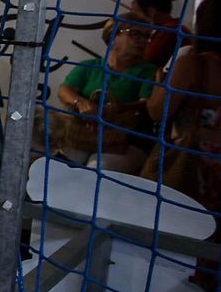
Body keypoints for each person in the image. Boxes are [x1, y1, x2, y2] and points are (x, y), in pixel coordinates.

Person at [144, 0, 221, 253]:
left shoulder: (191, 64)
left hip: (194, 164)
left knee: (188, 241)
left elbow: (157, 111)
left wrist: (159, 84)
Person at [53, 10, 158, 173]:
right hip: (85, 135)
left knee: (99, 168)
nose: (143, 41)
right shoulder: (89, 66)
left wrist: (112, 111)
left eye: (147, 37)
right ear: (113, 35)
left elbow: (145, 105)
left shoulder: (149, 72)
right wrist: (81, 103)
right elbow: (65, 90)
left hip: (125, 142)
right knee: (62, 164)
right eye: (136, 34)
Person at [132, 0, 181, 66]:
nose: (133, 18)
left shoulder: (169, 30)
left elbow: (148, 61)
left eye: (136, 12)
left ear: (151, 11)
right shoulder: (173, 27)